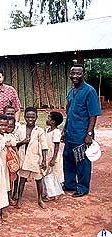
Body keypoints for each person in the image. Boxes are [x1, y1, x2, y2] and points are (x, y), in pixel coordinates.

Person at [62, 64, 102, 198]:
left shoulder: (89, 91)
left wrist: (89, 133)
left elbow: (93, 114)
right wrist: (64, 130)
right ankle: (69, 184)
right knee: (68, 159)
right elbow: (69, 113)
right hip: (70, 133)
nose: (75, 76)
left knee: (82, 161)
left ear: (83, 74)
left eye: (78, 73)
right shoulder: (71, 91)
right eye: (72, 73)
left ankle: (82, 187)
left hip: (81, 134)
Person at [16, 107, 48, 209]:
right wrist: (23, 142)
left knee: (39, 179)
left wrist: (44, 159)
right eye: (28, 117)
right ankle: (19, 198)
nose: (30, 119)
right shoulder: (20, 129)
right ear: (24, 117)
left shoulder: (39, 130)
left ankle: (40, 199)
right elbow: (15, 143)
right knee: (22, 179)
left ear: (36, 117)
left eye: (33, 117)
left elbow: (44, 146)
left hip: (35, 158)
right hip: (24, 159)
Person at [45, 111, 64, 186]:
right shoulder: (47, 130)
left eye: (48, 118)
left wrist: (53, 159)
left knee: (55, 173)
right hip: (48, 155)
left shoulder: (56, 132)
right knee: (49, 173)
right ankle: (50, 191)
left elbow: (56, 146)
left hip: (54, 156)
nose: (47, 119)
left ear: (53, 122)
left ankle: (56, 191)